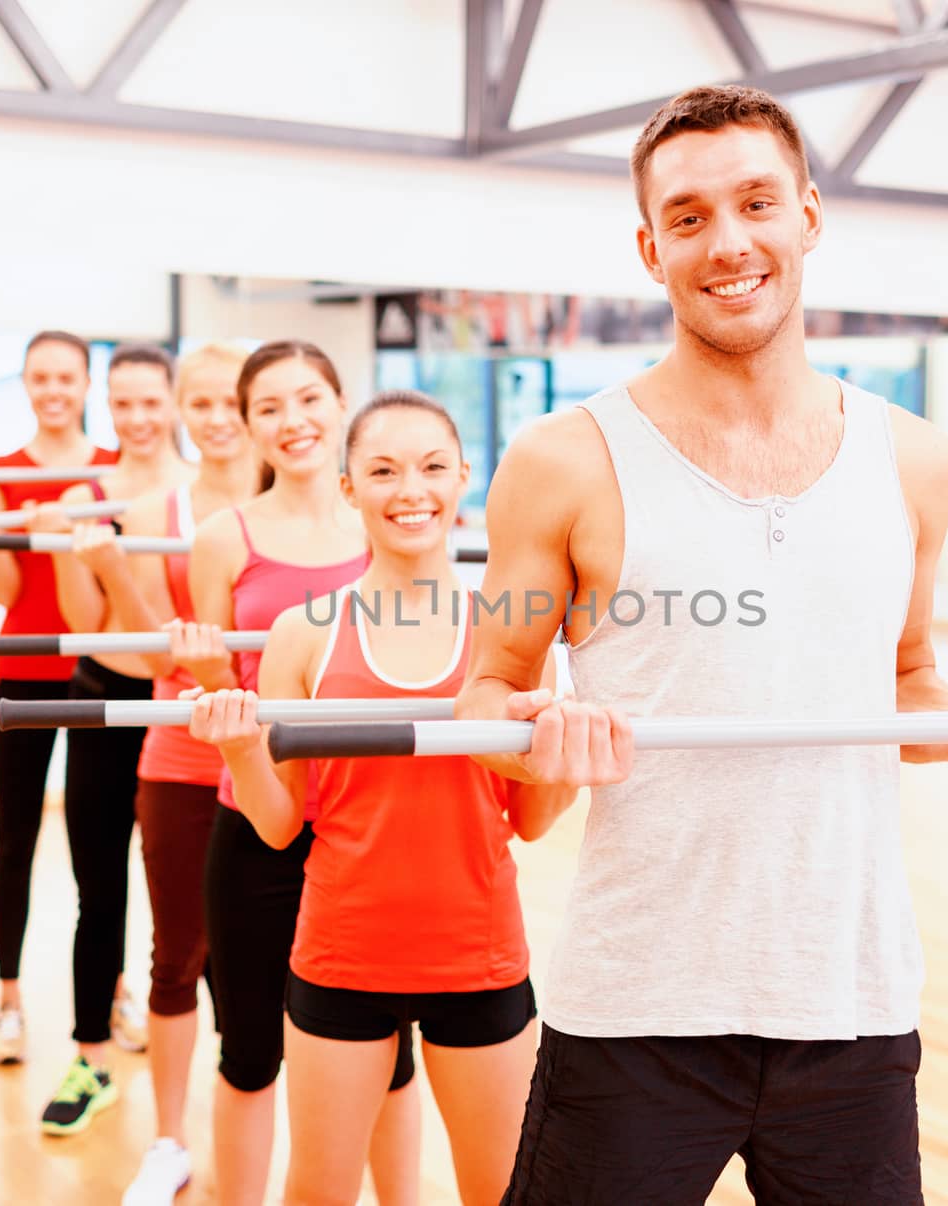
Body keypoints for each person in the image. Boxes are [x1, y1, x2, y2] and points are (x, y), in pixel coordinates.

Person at [454, 85, 948, 1202]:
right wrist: (533, 735)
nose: (729, 242)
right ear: (651, 248)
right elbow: (484, 697)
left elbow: (905, 683)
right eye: (690, 217)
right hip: (639, 1006)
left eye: (756, 202)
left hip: (849, 999)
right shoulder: (564, 460)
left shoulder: (912, 458)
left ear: (807, 214)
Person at [187, 391, 573, 1206]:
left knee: (501, 1194)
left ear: (465, 478)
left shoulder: (507, 630)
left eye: (434, 467)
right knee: (319, 1193)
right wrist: (237, 747)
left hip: (479, 955)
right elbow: (281, 820)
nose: (412, 490)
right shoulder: (305, 633)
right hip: (343, 955)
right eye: (384, 470)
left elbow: (534, 819)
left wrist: (563, 751)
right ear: (347, 486)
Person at [173, 341, 419, 1205]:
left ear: (340, 401)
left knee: (390, 1056)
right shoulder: (221, 537)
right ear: (246, 425)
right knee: (248, 1051)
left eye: (309, 399)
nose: (293, 422)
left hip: (372, 825)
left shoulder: (386, 517)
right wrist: (207, 676)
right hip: (259, 819)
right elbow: (219, 694)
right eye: (268, 407)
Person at [60, 343, 259, 1202]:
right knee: (176, 954)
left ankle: (263, 1127)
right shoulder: (153, 508)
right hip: (180, 757)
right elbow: (145, 660)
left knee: (282, 963)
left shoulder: (294, 505)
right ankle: (170, 1140)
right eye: (201, 404)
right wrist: (104, 565)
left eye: (231, 403)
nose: (217, 419)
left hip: (283, 758)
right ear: (181, 409)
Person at [27, 342, 196, 1137]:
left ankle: (231, 1061)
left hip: (180, 708)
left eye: (149, 402)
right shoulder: (86, 495)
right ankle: (90, 1056)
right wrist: (65, 543)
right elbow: (83, 624)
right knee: (100, 891)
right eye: (121, 404)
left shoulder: (203, 498)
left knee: (197, 897)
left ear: (173, 403)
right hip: (102, 698)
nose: (134, 419)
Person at [0, 329, 117, 1069]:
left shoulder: (115, 472)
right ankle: (10, 1001)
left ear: (86, 385)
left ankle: (109, 995)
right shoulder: (2, 474)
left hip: (101, 677)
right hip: (21, 674)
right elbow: (8, 592)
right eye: (40, 378)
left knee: (100, 856)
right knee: (15, 841)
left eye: (66, 377)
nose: (54, 390)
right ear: (25, 384)